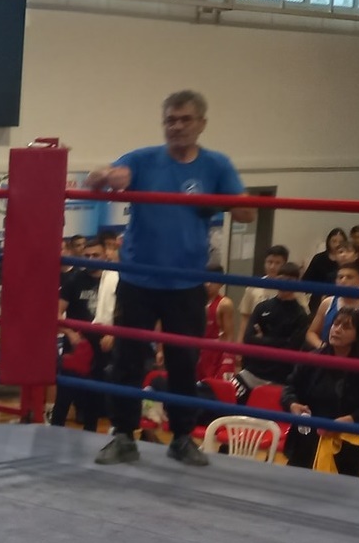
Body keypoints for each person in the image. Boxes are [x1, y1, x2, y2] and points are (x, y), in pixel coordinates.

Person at [86, 90, 253, 467]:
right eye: (170, 120)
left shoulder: (216, 165)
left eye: (185, 119)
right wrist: (105, 174)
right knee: (127, 362)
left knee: (183, 363)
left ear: (201, 124)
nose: (177, 127)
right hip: (139, 280)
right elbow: (98, 181)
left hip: (186, 283)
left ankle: (181, 437)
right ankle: (123, 435)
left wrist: (218, 201)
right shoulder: (141, 159)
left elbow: (248, 214)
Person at [280, 310, 359, 476]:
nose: (337, 330)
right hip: (309, 441)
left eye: (346, 327)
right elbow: (290, 388)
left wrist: (350, 420)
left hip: (354, 450)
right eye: (335, 324)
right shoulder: (312, 359)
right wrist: (292, 404)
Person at [52, 236, 104, 429]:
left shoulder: (112, 280)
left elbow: (121, 314)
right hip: (75, 347)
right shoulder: (75, 280)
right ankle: (53, 435)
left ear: (105, 256)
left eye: (95, 255)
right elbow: (56, 312)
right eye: (87, 256)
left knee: (93, 402)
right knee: (63, 398)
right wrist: (69, 332)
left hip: (100, 348)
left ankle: (91, 438)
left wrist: (112, 335)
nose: (91, 259)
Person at [237, 262, 312, 391]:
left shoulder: (300, 315)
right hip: (252, 371)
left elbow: (291, 347)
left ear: (297, 283)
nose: (284, 284)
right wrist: (280, 340)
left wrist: (262, 338)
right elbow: (248, 338)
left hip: (279, 376)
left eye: (289, 281)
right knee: (224, 395)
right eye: (281, 279)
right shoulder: (262, 307)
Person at [306, 261, 359, 361]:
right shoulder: (327, 302)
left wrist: (348, 352)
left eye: (349, 277)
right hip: (326, 360)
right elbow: (311, 333)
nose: (343, 280)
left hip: (355, 363)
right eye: (340, 277)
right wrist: (325, 348)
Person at [199, 264, 236, 382]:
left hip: (215, 355)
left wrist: (227, 361)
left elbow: (229, 336)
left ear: (220, 283)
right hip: (197, 351)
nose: (208, 284)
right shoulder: (195, 302)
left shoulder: (224, 304)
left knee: (214, 388)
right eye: (206, 280)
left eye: (212, 281)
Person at [240, 245, 289, 321]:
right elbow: (245, 317)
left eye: (277, 263)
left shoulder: (292, 288)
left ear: (284, 264)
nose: (272, 267)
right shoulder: (253, 287)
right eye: (270, 262)